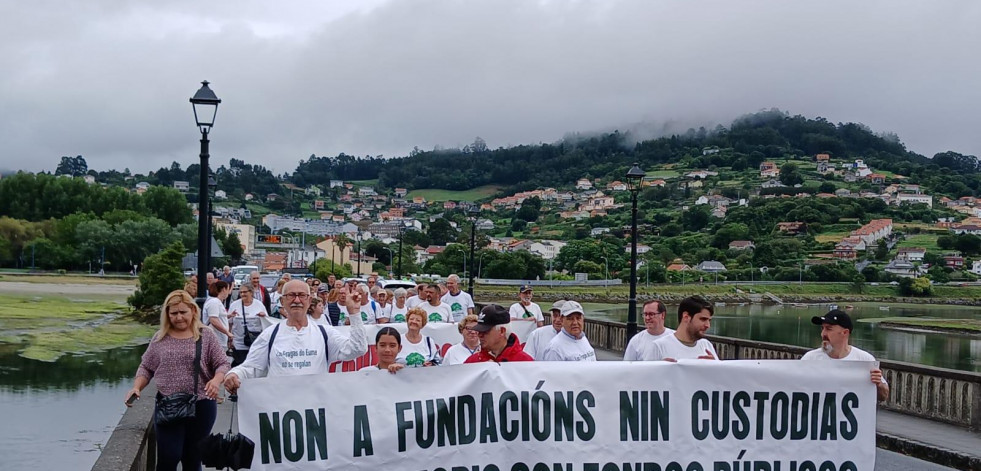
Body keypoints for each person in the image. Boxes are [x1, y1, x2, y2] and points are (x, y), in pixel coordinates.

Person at [126, 290, 229, 471]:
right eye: (174, 313)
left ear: (193, 311)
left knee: (193, 458)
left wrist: (216, 380)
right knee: (169, 456)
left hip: (202, 405)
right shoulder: (160, 338)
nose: (179, 317)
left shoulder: (206, 335)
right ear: (167, 314)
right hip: (169, 405)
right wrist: (137, 387)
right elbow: (146, 367)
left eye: (183, 312)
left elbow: (222, 363)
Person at [223, 280, 368, 393]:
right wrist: (235, 374)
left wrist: (354, 313)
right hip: (280, 410)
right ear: (282, 301)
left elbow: (358, 349)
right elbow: (252, 368)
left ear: (309, 300)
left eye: (302, 295)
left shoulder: (325, 333)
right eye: (291, 295)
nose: (297, 300)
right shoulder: (269, 335)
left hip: (315, 412)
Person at [802, 310, 890, 402]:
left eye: (828, 329)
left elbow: (883, 397)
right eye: (822, 328)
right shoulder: (810, 358)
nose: (823, 334)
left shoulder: (864, 360)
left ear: (845, 332)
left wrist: (878, 383)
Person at [643, 296, 719, 362]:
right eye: (703, 319)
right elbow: (645, 377)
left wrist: (714, 367)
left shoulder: (706, 346)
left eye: (709, 320)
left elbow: (719, 378)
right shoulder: (659, 347)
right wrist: (660, 369)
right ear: (686, 317)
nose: (708, 325)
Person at [465, 304, 533, 363]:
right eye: (479, 331)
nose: (479, 335)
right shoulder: (473, 362)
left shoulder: (525, 363)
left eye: (485, 331)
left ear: (502, 331)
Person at [228, 282, 268, 367]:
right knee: (240, 364)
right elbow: (230, 323)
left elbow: (266, 322)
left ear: (251, 292)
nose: (242, 294)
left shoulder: (259, 305)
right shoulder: (234, 305)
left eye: (245, 292)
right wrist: (229, 338)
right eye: (241, 292)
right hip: (239, 342)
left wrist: (263, 316)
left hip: (254, 342)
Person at [202, 281, 234, 350]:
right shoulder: (214, 302)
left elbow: (218, 316)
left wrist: (229, 315)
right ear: (223, 289)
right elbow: (213, 320)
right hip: (216, 340)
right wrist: (227, 332)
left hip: (219, 340)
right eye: (228, 289)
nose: (229, 292)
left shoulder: (216, 302)